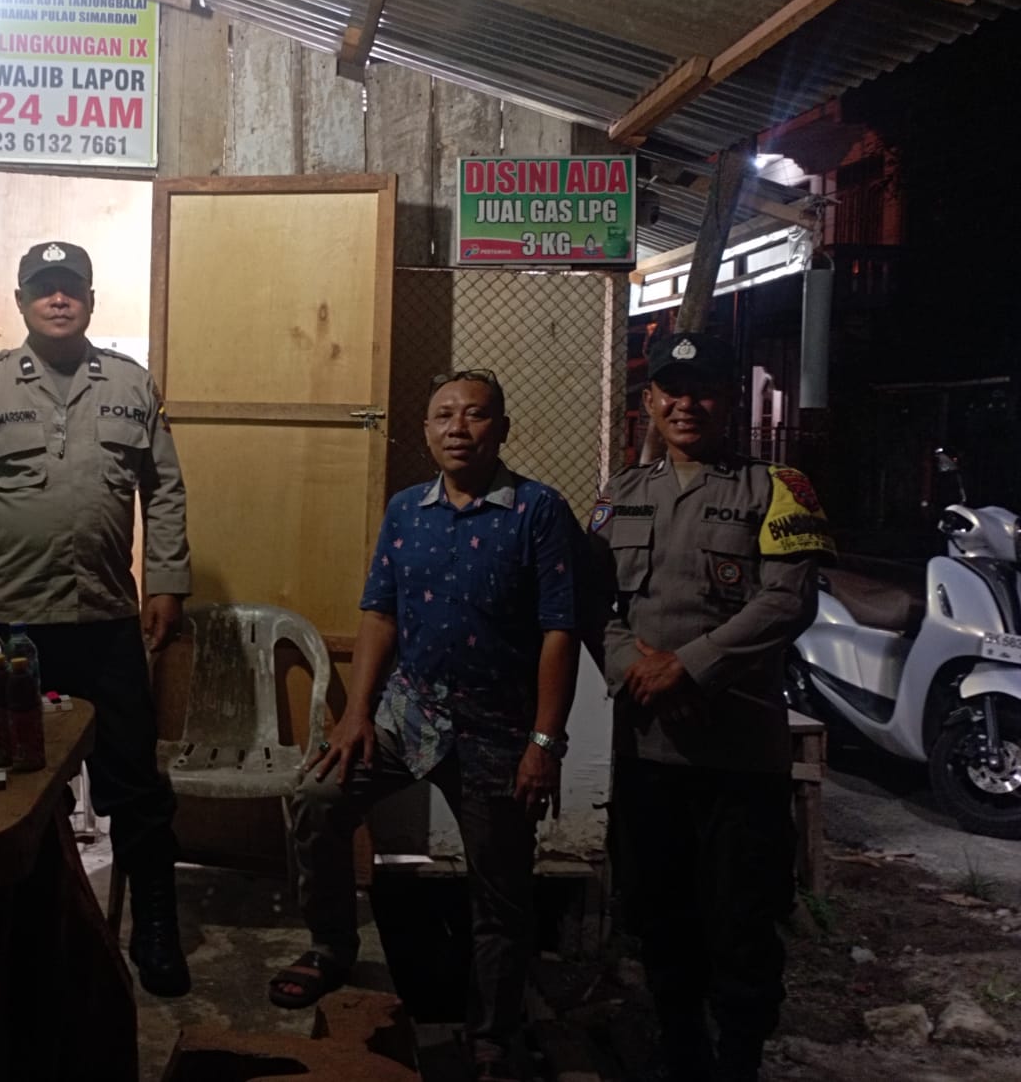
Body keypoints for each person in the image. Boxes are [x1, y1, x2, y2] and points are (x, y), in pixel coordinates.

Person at [272, 369, 580, 1082]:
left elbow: (559, 631)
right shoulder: (407, 509)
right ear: (425, 430)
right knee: (318, 799)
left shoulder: (539, 510)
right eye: (443, 415)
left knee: (500, 887)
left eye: (475, 415)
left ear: (502, 429)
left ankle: (491, 1033)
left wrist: (544, 742)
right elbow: (379, 613)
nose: (458, 428)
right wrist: (356, 714)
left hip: (497, 730)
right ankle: (331, 947)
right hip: (409, 715)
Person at [0, 240, 192, 997]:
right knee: (12, 781)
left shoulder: (132, 386)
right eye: (44, 288)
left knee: (134, 785)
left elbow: (165, 492)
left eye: (70, 286)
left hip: (106, 618)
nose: (58, 298)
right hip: (13, 625)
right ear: (21, 302)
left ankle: (156, 929)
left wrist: (168, 580)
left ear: (89, 298)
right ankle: (21, 929)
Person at [590, 332, 835, 1082]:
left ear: (728, 401)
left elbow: (787, 601)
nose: (686, 404)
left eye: (702, 391)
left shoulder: (778, 488)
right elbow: (591, 606)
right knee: (658, 915)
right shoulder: (619, 495)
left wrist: (689, 671)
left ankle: (739, 1060)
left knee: (741, 921)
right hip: (648, 751)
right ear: (650, 401)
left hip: (739, 757)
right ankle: (681, 1048)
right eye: (672, 390)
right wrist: (638, 668)